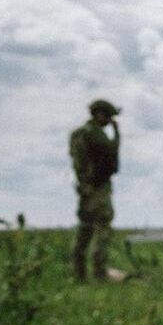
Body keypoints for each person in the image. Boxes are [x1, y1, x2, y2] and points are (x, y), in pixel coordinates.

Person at [69, 99, 121, 281]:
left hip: (85, 188)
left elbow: (78, 163)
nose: (109, 121)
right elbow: (112, 157)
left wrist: (84, 185)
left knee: (85, 230)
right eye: (108, 117)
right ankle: (100, 273)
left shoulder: (78, 134)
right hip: (98, 188)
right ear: (100, 115)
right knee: (103, 228)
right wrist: (117, 133)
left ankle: (79, 273)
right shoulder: (97, 135)